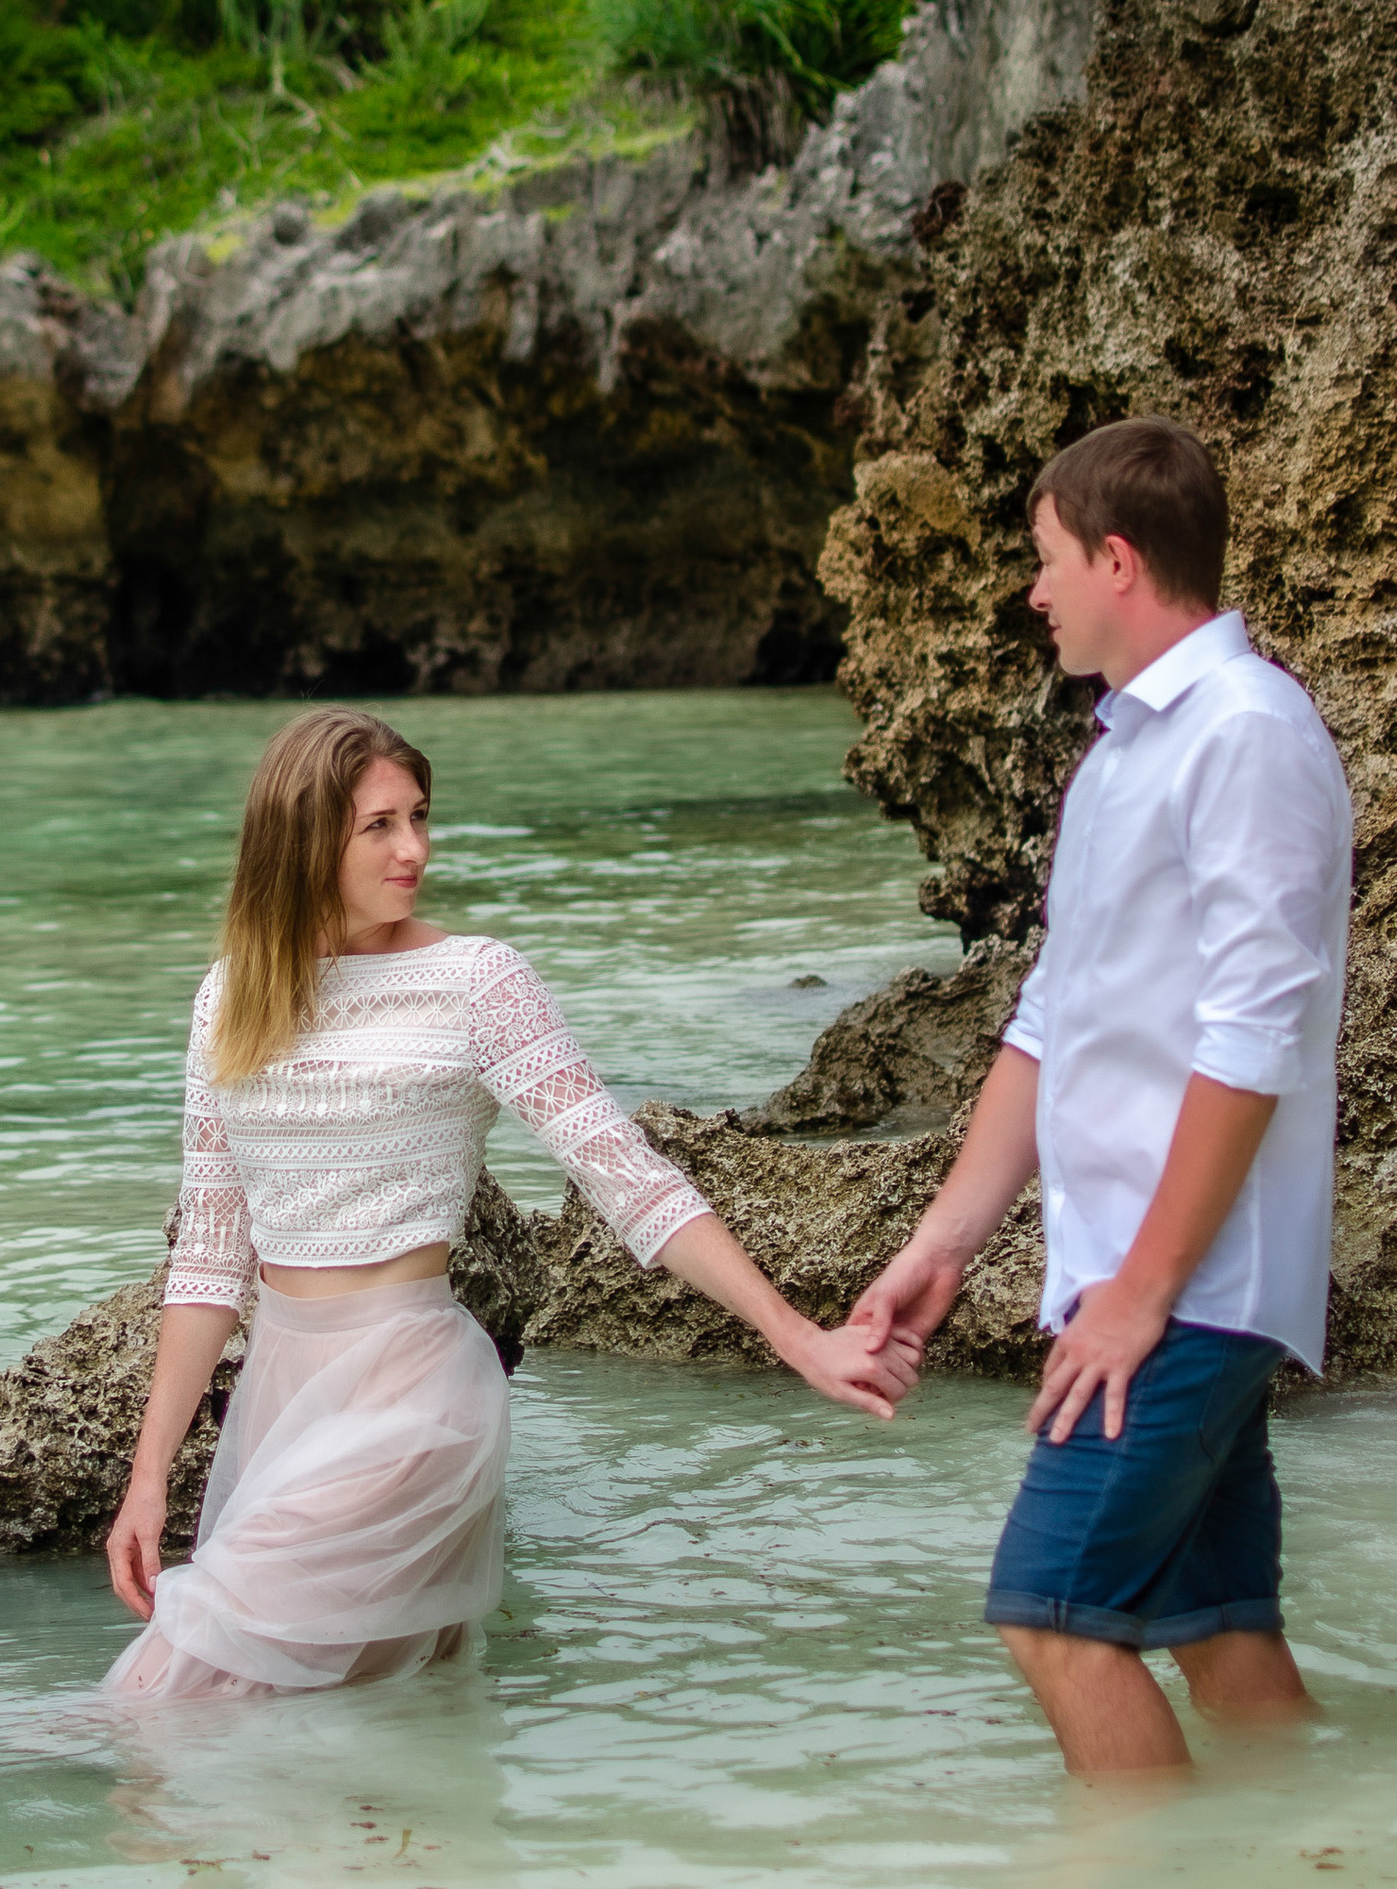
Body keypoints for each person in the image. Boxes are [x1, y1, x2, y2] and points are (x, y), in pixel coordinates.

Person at [104, 705, 913, 1697]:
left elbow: (625, 1174)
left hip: (417, 1392)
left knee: (172, 1694)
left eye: (420, 816)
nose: (416, 848)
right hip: (282, 1395)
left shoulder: (475, 980)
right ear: (304, 835)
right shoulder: (228, 998)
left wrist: (795, 1336)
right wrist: (148, 1479)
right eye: (380, 825)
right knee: (348, 1721)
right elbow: (208, 1258)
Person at [844, 419, 1353, 1778]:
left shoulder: (1245, 733)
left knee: (1052, 1617)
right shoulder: (1124, 748)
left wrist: (1139, 1291)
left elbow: (1256, 1039)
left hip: (1181, 1288)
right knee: (1218, 1628)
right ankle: (1331, 1883)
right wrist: (944, 1243)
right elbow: (1051, 1020)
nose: (1034, 590)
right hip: (1143, 1280)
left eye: (1048, 559)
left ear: (1119, 560)